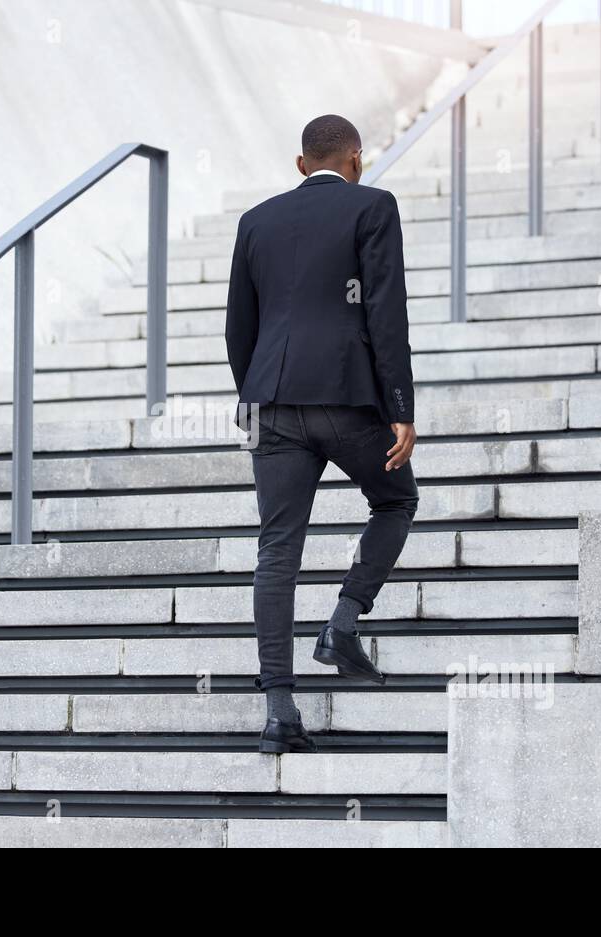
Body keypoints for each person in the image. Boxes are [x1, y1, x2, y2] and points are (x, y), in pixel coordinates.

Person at [225, 114, 419, 754]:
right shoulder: (373, 206)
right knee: (395, 500)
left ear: (300, 162)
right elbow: (385, 309)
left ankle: (280, 713)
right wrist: (400, 406)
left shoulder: (257, 220)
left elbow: (239, 327)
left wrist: (255, 394)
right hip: (346, 399)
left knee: (277, 550)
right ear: (356, 158)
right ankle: (342, 622)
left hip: (273, 402)